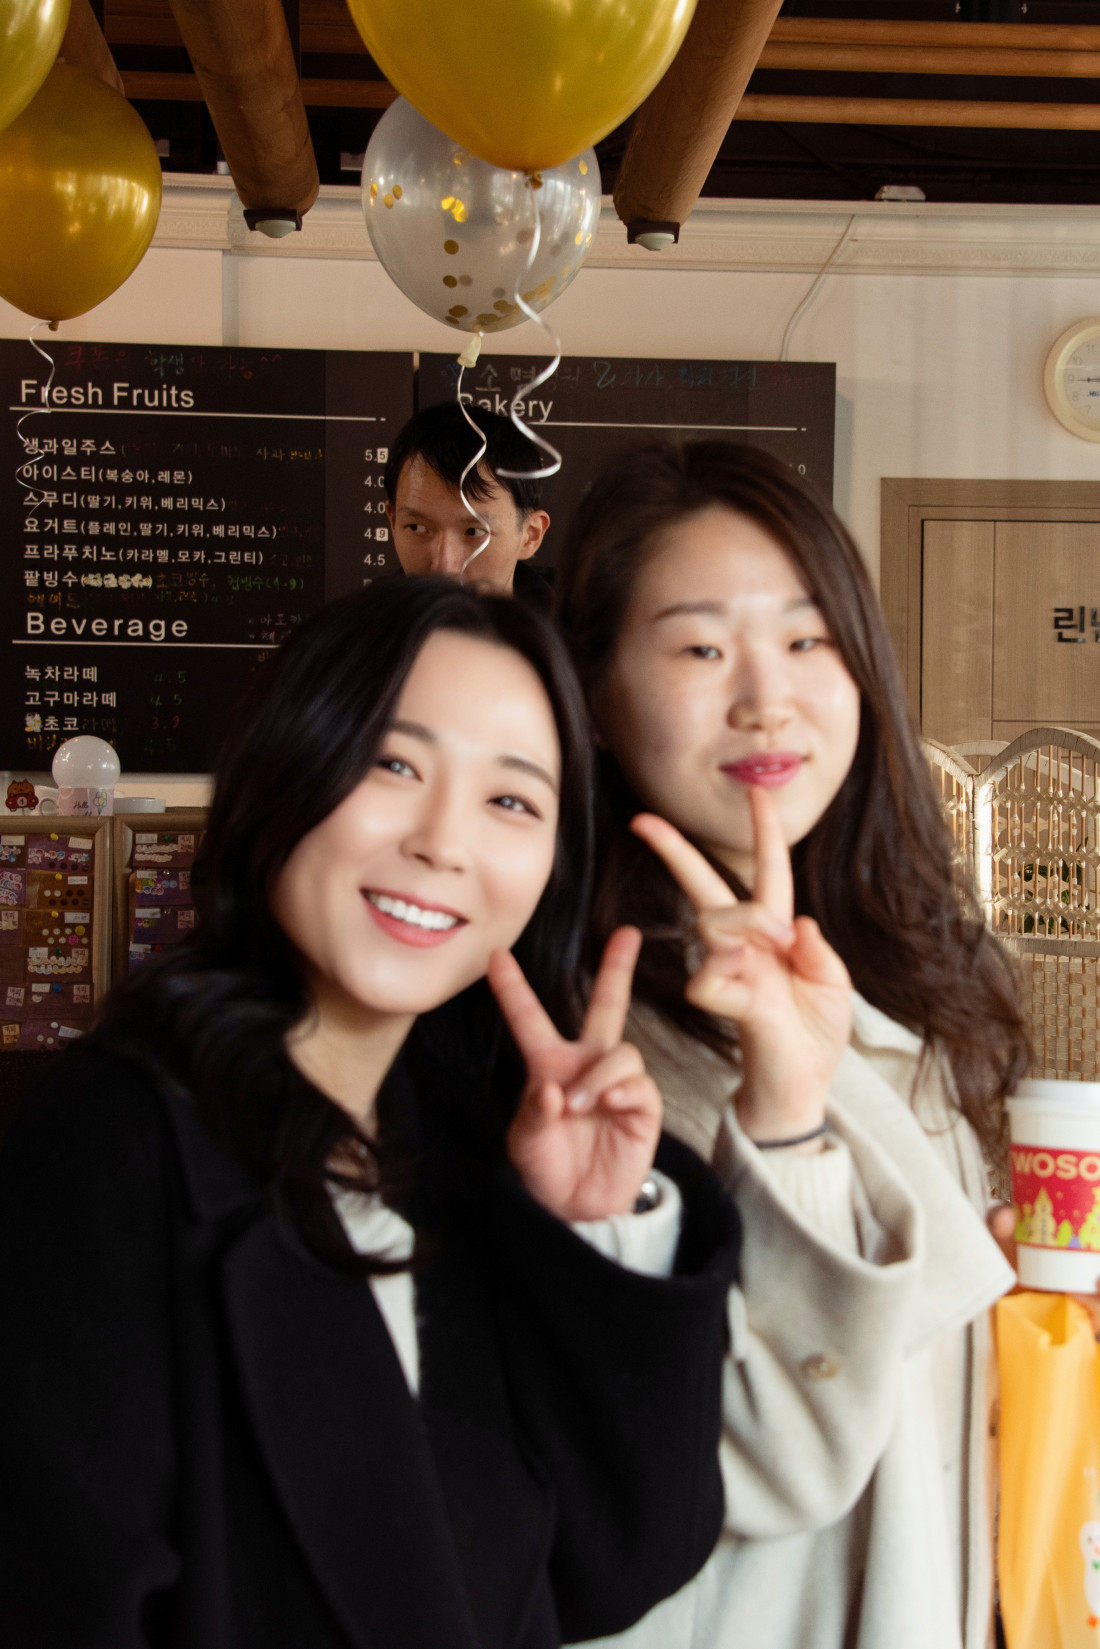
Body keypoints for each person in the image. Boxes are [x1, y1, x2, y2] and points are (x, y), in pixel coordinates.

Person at [0, 578, 741, 1649]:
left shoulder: (461, 1148)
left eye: (511, 801)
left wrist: (592, 1227)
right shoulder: (105, 1149)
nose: (443, 842)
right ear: (286, 763)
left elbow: (610, 1564)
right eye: (393, 764)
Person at [554, 440, 1029, 1649]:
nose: (765, 698)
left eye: (808, 638)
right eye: (699, 648)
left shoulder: (920, 972)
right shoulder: (587, 1048)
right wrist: (782, 1116)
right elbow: (747, 1465)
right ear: (594, 696)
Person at [384, 402, 551, 600]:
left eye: (474, 532)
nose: (443, 568)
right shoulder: (359, 618)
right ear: (392, 521)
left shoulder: (573, 618)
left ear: (530, 536)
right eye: (417, 528)